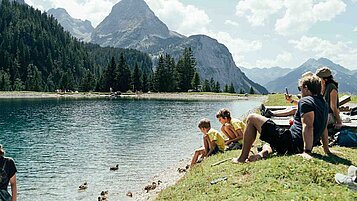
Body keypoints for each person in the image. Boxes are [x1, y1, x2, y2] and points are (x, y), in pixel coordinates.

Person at [233, 74, 331, 163]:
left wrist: (307, 152)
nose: (300, 91)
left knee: (251, 118)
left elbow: (308, 126)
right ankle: (263, 153)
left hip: (291, 143)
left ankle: (241, 158)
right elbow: (324, 127)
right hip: (294, 143)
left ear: (306, 88)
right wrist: (327, 150)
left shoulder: (305, 101)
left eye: (299, 88)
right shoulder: (324, 104)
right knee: (268, 143)